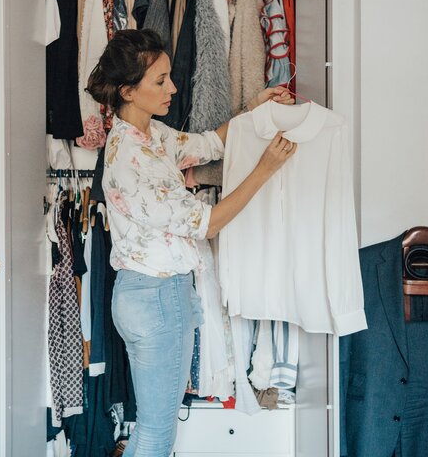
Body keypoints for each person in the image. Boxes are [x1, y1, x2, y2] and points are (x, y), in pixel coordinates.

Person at [86, 29, 297, 457]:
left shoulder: (149, 135)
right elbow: (210, 222)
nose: (174, 88)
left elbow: (208, 144)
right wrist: (265, 168)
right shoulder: (132, 161)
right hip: (156, 299)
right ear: (128, 90)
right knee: (155, 436)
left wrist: (254, 109)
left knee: (151, 428)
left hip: (153, 295)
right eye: (160, 81)